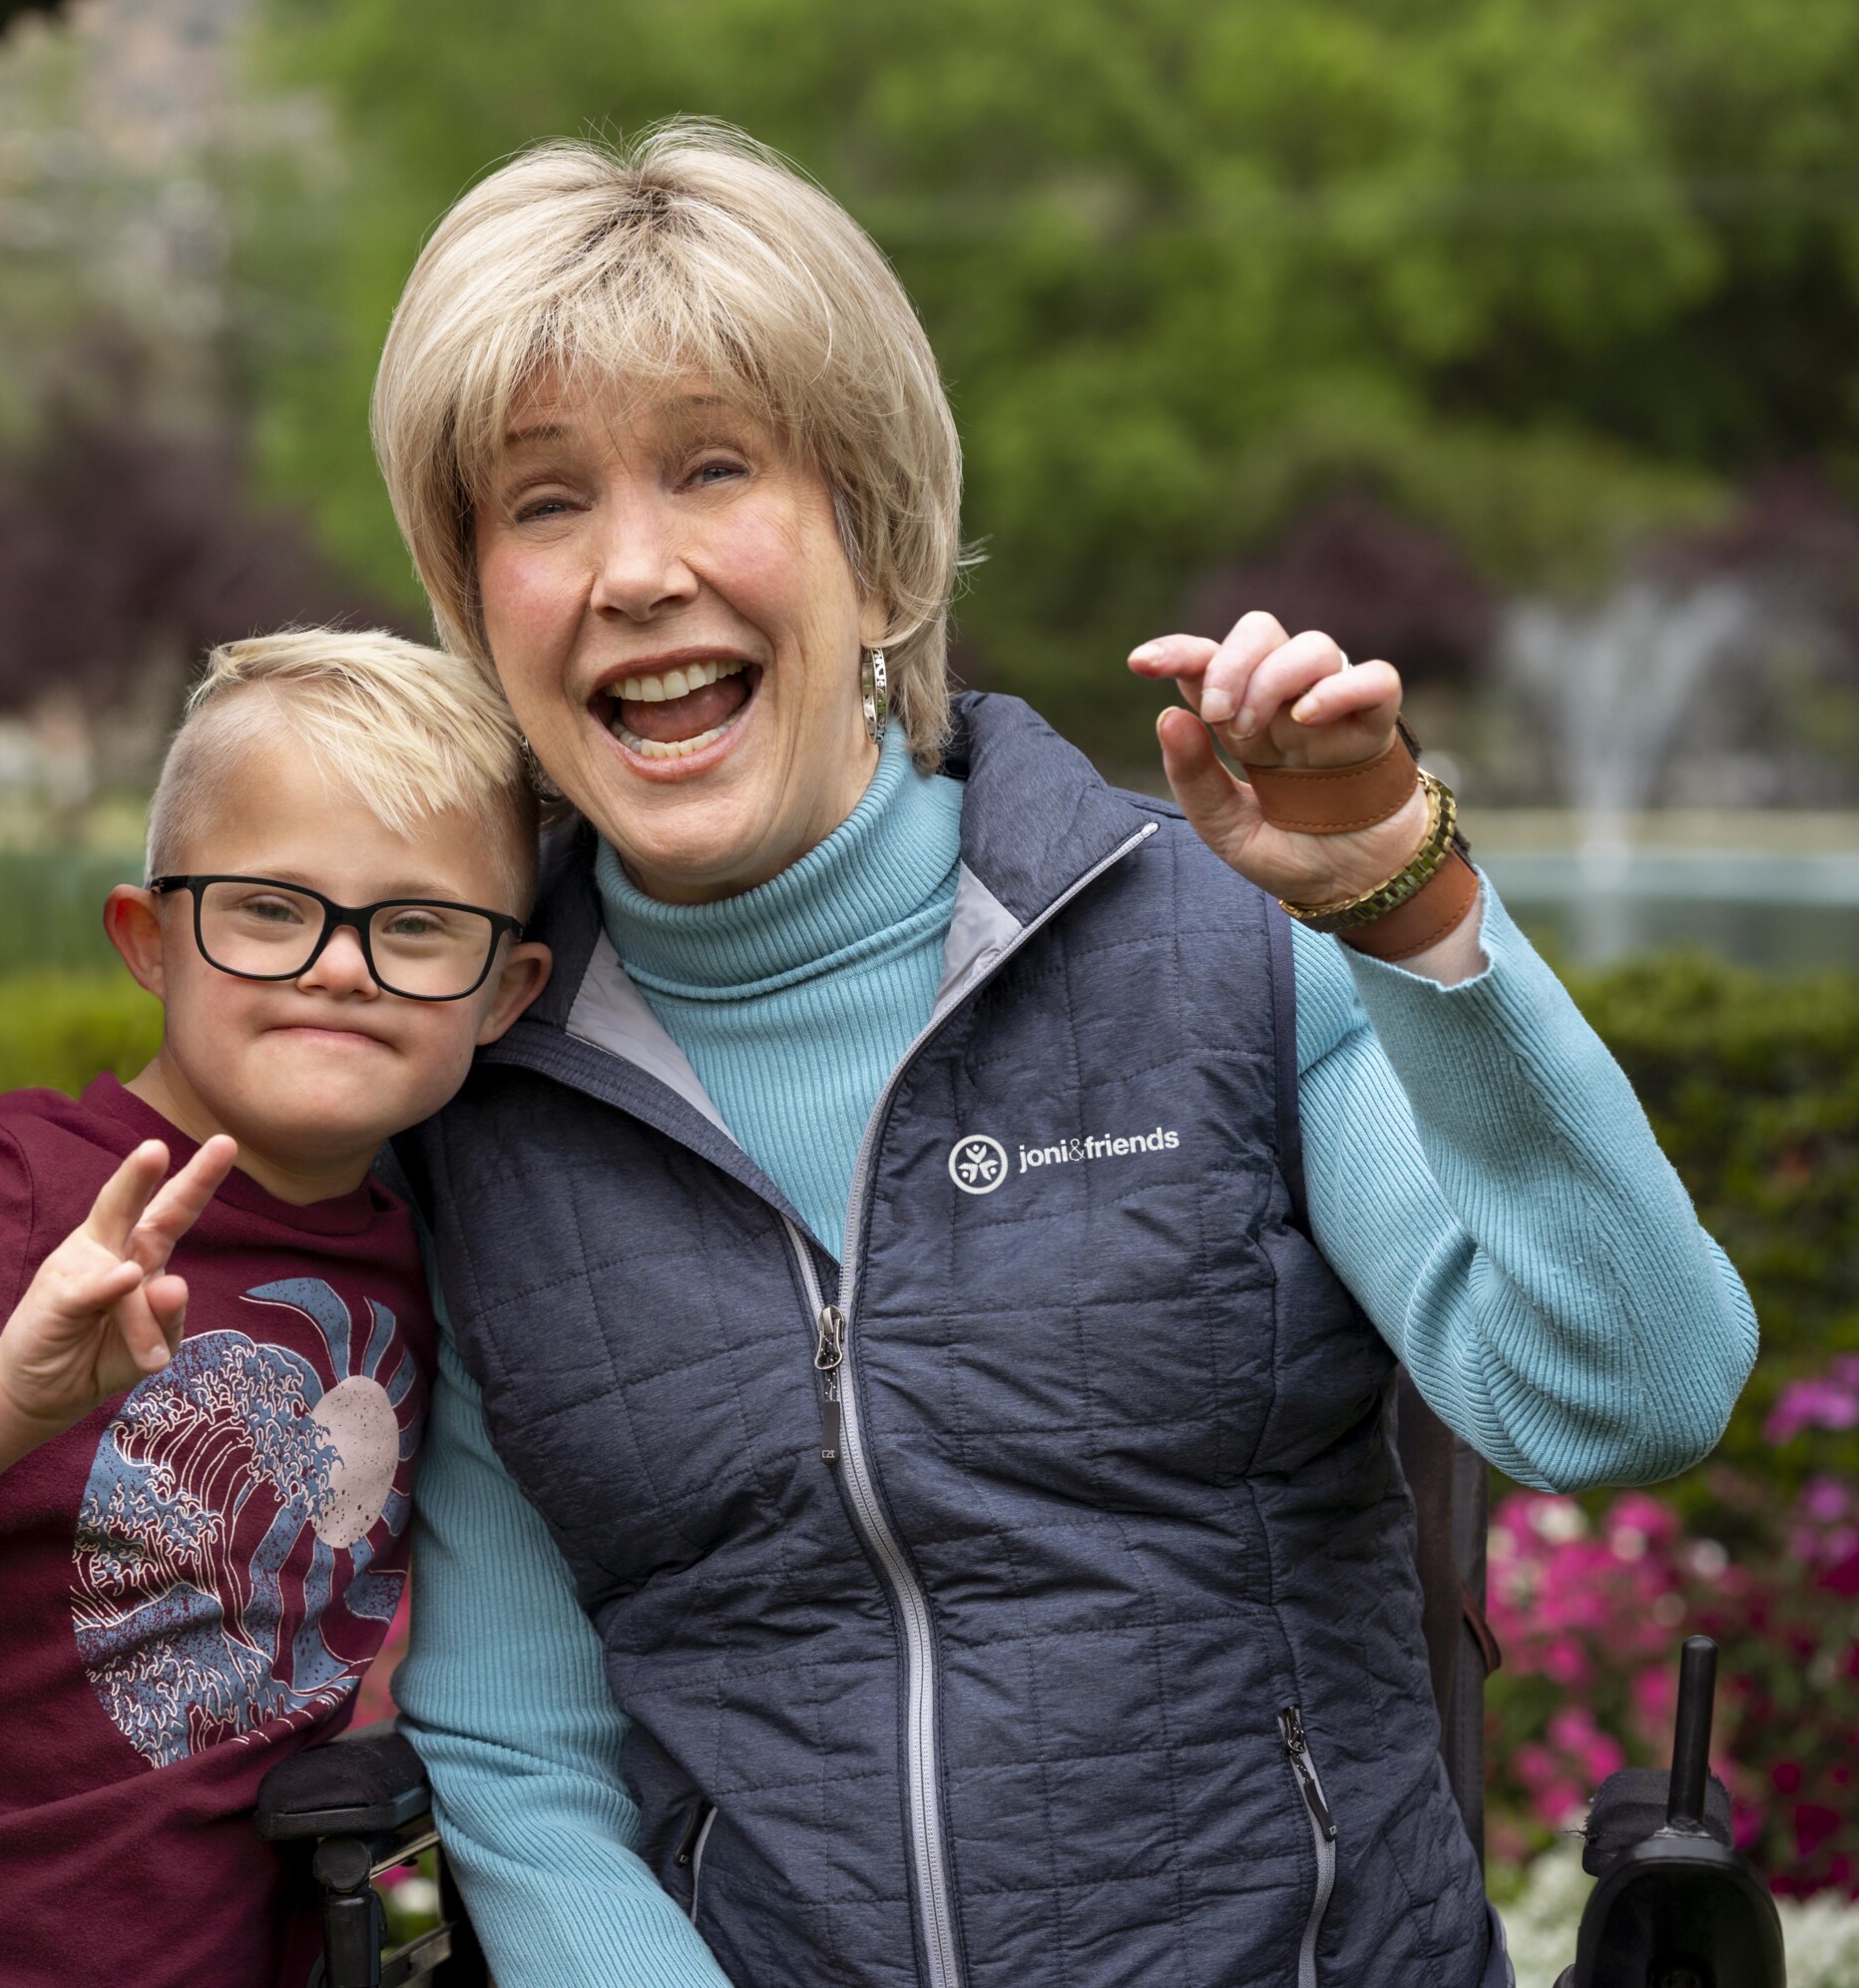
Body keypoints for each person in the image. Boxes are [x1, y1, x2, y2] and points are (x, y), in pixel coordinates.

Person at [370, 125, 1760, 1987]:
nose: (632, 568)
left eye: (714, 467)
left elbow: (1633, 1390)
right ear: (479, 611)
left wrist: (1411, 916)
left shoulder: (1231, 948)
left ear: (876, 547)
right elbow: (521, 1766)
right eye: (543, 505)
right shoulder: (473, 1088)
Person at [0, 631, 550, 1988]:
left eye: (418, 924)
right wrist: (4, 1395)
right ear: (149, 939)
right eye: (268, 907)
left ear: (506, 993)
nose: (343, 965)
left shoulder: (439, 1254)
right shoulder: (7, 1196)